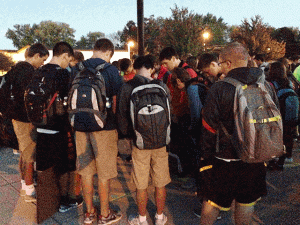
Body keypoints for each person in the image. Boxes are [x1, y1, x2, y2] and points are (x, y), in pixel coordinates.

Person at [200, 42, 278, 225]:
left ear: (227, 63)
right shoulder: (266, 86)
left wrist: (205, 159)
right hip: (255, 157)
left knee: (212, 204)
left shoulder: (219, 88)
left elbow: (208, 128)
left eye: (220, 63)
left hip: (224, 159)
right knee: (246, 202)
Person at [73, 38, 123, 224]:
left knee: (86, 171)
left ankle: (88, 214)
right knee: (104, 173)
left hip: (79, 127)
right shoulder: (111, 70)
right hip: (105, 128)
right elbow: (118, 101)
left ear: (94, 50)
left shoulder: (76, 68)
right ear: (109, 53)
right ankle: (104, 214)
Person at [117, 55, 171, 225]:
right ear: (151, 68)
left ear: (135, 66)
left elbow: (122, 115)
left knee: (141, 183)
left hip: (139, 142)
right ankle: (160, 217)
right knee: (160, 181)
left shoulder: (127, 86)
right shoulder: (161, 85)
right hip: (161, 141)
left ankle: (142, 219)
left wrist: (126, 137)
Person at [33, 42, 82, 214]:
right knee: (64, 166)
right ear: (64, 55)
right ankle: (64, 201)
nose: (68, 63)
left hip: (39, 127)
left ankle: (46, 201)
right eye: (68, 59)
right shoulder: (62, 74)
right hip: (58, 126)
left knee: (45, 166)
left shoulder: (39, 72)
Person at [4, 43, 49, 202]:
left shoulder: (13, 71)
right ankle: (30, 190)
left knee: (23, 151)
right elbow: (32, 99)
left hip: (14, 118)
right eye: (42, 60)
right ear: (36, 56)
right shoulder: (30, 73)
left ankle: (24, 183)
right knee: (30, 154)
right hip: (26, 119)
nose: (42, 64)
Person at [267, 61, 296, 169]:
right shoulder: (288, 82)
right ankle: (285, 158)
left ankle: (275, 158)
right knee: (287, 134)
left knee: (275, 136)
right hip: (288, 113)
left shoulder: (271, 83)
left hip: (277, 113)